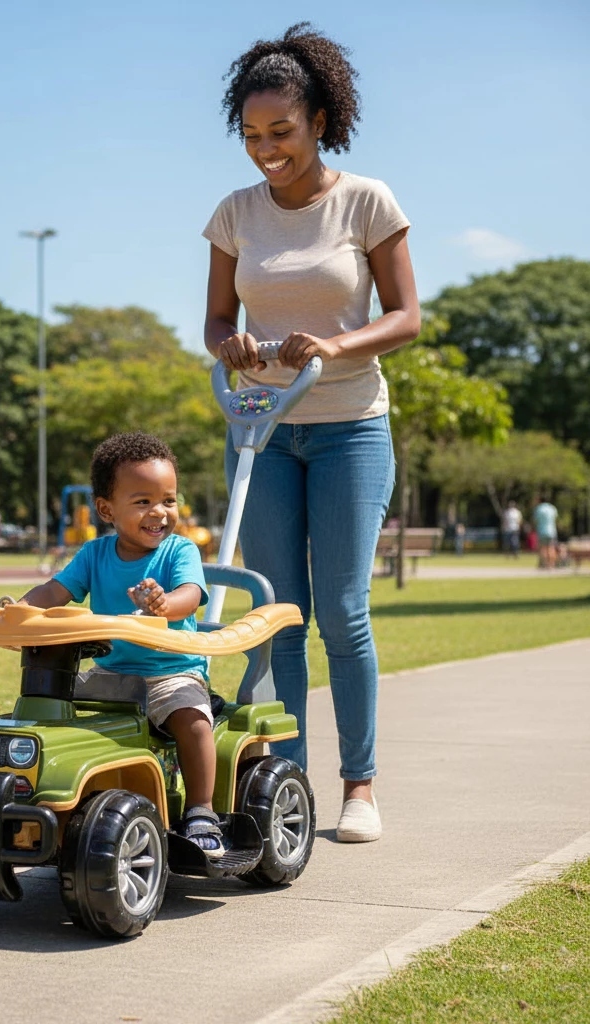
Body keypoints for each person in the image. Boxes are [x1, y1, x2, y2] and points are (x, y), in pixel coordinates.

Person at [203, 24, 420, 843]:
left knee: (341, 610)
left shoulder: (367, 201)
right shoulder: (234, 213)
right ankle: (281, 779)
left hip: (347, 428)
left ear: (321, 120)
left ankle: (359, 785)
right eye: (252, 136)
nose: (266, 150)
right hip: (262, 429)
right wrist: (228, 342)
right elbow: (219, 315)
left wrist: (334, 343)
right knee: (277, 612)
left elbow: (405, 317)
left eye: (282, 133)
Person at [20, 433, 223, 857]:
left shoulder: (178, 550)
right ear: (106, 509)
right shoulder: (94, 555)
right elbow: (55, 591)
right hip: (111, 673)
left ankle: (202, 809)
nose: (160, 512)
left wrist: (166, 603)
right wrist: (19, 610)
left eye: (168, 500)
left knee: (193, 720)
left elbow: (190, 593)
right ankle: (52, 796)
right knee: (51, 710)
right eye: (143, 501)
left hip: (170, 672)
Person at [532, 496, 559, 569]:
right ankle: (552, 564)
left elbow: (535, 520)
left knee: (543, 548)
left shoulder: (539, 508)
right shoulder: (552, 508)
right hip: (552, 531)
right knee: (551, 548)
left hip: (542, 531)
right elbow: (555, 519)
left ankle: (544, 564)